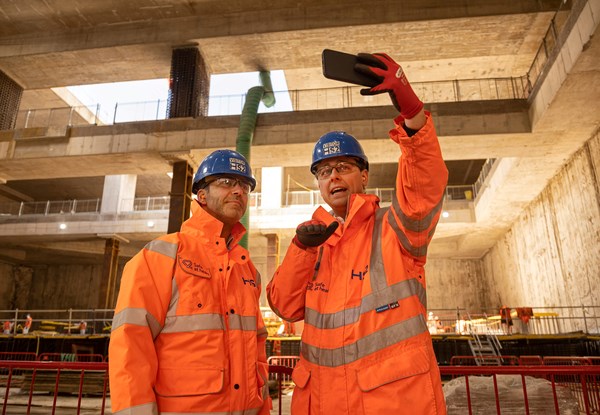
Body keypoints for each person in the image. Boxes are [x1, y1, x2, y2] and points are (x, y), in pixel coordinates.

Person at [267, 52, 448, 414]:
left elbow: (424, 185)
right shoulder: (313, 242)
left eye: (344, 167)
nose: (333, 176)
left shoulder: (396, 230)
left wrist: (412, 114)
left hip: (390, 405)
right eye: (324, 171)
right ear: (318, 183)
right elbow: (284, 306)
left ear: (363, 176)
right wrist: (301, 249)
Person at [109, 149, 271, 415]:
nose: (238, 191)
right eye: (226, 182)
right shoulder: (161, 256)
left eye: (244, 185)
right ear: (202, 195)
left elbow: (257, 347)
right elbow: (130, 345)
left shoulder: (247, 270)